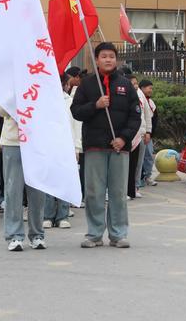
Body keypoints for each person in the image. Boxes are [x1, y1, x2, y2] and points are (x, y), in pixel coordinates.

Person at [72, 42, 141, 248]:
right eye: (104, 56)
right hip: (94, 146)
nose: (108, 59)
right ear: (97, 59)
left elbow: (135, 116)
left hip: (120, 147)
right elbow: (76, 111)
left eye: (111, 56)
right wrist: (96, 105)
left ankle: (118, 234)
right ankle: (94, 234)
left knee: (119, 192)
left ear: (116, 59)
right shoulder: (87, 85)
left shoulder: (126, 84)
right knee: (94, 192)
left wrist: (123, 138)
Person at [0, 102, 46, 251]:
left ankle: (37, 234)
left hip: (36, 140)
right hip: (13, 141)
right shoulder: (9, 84)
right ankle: (14, 235)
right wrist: (14, 100)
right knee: (13, 190)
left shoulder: (40, 80)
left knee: (37, 191)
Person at [43, 73, 77, 229]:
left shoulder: (70, 101)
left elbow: (76, 125)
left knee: (64, 181)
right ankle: (48, 215)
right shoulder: (43, 101)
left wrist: (77, 147)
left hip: (66, 146)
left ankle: (63, 215)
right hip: (48, 145)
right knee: (49, 182)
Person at [126, 74, 147, 200]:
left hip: (138, 134)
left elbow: (145, 114)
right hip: (126, 136)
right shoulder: (123, 96)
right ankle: (125, 190)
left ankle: (133, 189)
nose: (135, 86)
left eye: (136, 83)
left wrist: (147, 131)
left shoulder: (139, 95)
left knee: (135, 164)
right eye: (133, 83)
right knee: (125, 165)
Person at [68, 67, 84, 208]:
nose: (79, 79)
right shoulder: (70, 96)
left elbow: (76, 124)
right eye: (77, 76)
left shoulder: (73, 96)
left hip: (74, 141)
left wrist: (77, 146)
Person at [138, 79, 157, 188]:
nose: (151, 90)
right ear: (143, 88)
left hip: (148, 134)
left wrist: (150, 132)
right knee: (139, 158)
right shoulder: (138, 99)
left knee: (149, 155)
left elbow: (153, 119)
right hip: (140, 133)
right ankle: (139, 179)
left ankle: (147, 176)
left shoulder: (151, 102)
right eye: (149, 88)